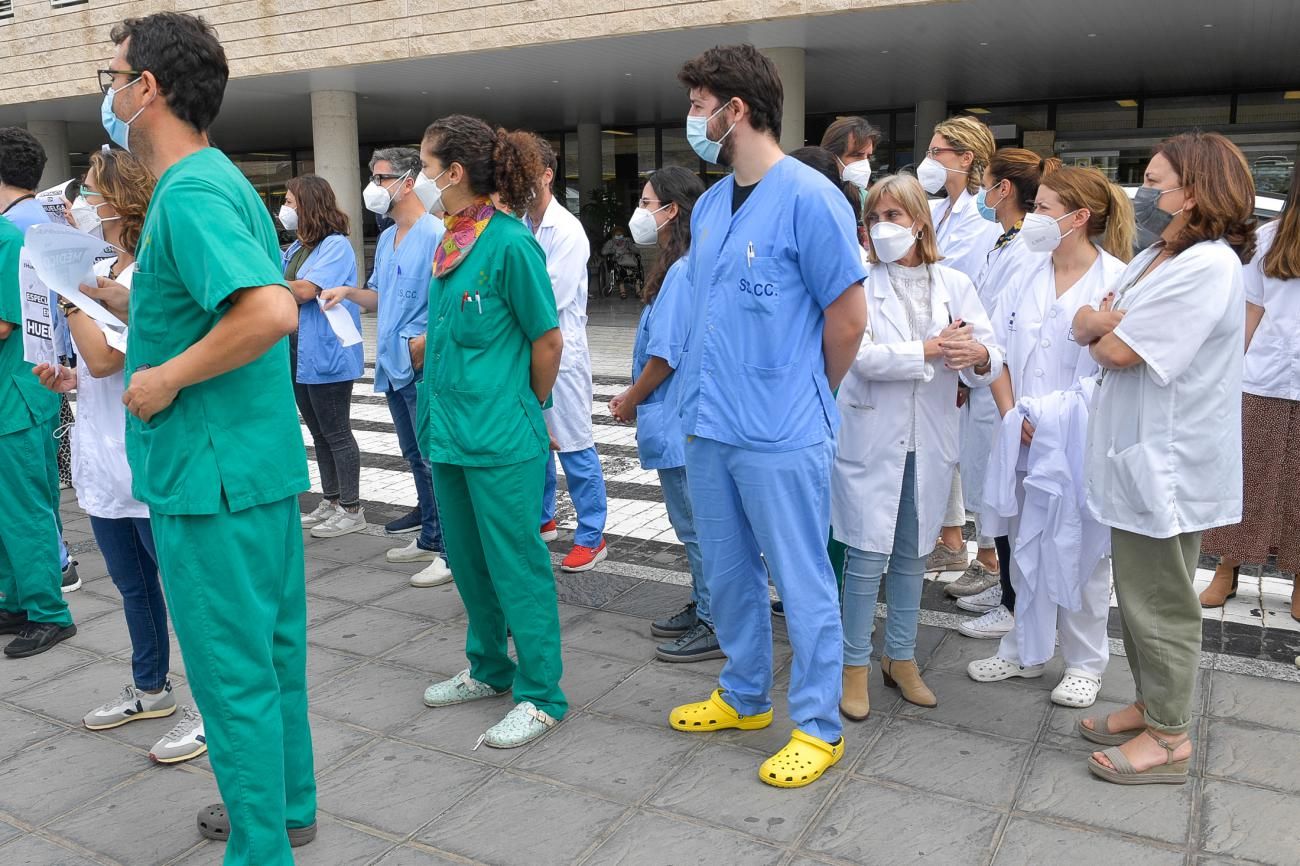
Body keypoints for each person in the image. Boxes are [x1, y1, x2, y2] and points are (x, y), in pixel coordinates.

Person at [102, 13, 316, 860]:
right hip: (250, 466)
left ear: (147, 88)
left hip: (207, 475)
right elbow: (226, 299)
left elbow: (267, 310)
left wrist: (159, 377)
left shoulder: (186, 192)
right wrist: (134, 307)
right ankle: (287, 807)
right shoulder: (219, 179)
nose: (110, 91)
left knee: (232, 677)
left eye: (115, 75)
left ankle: (259, 844)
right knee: (271, 657)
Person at [665, 45, 867, 790]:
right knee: (728, 571)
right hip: (712, 423)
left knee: (802, 576)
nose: (693, 118)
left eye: (699, 103)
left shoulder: (811, 198)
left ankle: (818, 725)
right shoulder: (715, 205)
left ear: (735, 110)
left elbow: (848, 318)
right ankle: (745, 694)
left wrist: (808, 393)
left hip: (781, 428)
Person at [1074, 131, 1254, 784]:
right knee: (1140, 590)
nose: (1146, 193)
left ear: (1196, 190)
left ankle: (1171, 738)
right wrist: (1100, 327)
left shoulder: (1208, 266)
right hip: (1137, 452)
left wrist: (1102, 328)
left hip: (1167, 461)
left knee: (1160, 600)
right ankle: (1154, 704)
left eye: (1157, 181)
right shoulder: (1156, 255)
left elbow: (1117, 347)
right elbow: (1087, 323)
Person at [34, 148, 207, 761]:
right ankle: (151, 687)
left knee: (187, 592)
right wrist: (71, 381)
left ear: (115, 198)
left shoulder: (147, 273)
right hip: (103, 458)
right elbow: (99, 370)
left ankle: (210, 708)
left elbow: (112, 355)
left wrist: (70, 298)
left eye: (86, 192)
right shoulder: (105, 267)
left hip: (148, 458)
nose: (77, 204)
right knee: (134, 587)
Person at [412, 115, 568, 749]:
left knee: (516, 565)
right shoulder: (450, 241)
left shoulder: (509, 243)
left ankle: (541, 693)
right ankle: (489, 667)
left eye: (423, 166)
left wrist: (522, 406)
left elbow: (548, 339)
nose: (415, 178)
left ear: (453, 172)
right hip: (449, 433)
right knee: (469, 562)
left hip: (501, 437)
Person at [966, 166, 1134, 710]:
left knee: (1083, 551)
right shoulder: (1025, 270)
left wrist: (1056, 422)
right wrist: (1014, 415)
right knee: (1023, 544)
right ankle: (1025, 649)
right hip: (1021, 433)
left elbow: (1112, 370)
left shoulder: (1117, 278)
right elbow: (996, 351)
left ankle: (1085, 662)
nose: (1034, 217)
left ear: (1079, 217)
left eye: (1043, 208)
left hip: (1081, 438)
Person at [834, 174, 1001, 719]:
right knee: (864, 557)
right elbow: (863, 357)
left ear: (920, 222)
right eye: (875, 217)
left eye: (894, 216)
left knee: (912, 556)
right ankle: (853, 664)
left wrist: (974, 355)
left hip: (929, 441)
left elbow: (990, 355)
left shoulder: (953, 281)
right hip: (871, 434)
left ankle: (900, 658)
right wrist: (930, 348)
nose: (883, 227)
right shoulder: (856, 279)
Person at [320, 147, 451, 586]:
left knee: (435, 459)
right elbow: (380, 296)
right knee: (415, 457)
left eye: (381, 179)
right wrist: (348, 292)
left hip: (420, 364)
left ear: (408, 181)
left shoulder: (436, 234)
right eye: (373, 178)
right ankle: (431, 537)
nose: (373, 188)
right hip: (394, 365)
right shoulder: (391, 236)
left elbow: (448, 303)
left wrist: (423, 344)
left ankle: (451, 552)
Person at [608, 166, 715, 662]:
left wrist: (631, 397)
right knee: (695, 525)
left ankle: (716, 621)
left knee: (697, 527)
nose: (641, 213)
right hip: (680, 418)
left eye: (648, 203)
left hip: (679, 419)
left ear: (673, 210)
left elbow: (665, 355)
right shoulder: (682, 264)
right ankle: (706, 604)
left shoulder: (681, 270)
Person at [954, 148, 1057, 642]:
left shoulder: (1026, 249)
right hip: (986, 381)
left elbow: (1006, 326)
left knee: (1010, 502)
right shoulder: (1005, 241)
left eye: (987, 183)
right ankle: (1007, 590)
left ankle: (1016, 602)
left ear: (1005, 190)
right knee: (995, 497)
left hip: (1005, 391)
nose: (982, 194)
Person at [1200, 170, 1300, 622]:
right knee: (1249, 477)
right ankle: (1228, 564)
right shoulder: (1269, 239)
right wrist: (1225, 379)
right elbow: (1250, 311)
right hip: (1264, 378)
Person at [914, 117, 1003, 588]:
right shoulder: (938, 211)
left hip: (969, 352)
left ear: (966, 159)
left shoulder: (981, 220)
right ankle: (952, 542)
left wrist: (967, 368)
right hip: (942, 354)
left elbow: (975, 291)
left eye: (937, 152)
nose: (929, 161)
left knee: (980, 457)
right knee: (950, 453)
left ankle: (988, 558)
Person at [0, 126, 80, 594]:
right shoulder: (46, 217)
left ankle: (52, 575)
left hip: (25, 373)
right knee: (41, 484)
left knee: (27, 494)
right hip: (51, 364)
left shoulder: (13, 229)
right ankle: (53, 564)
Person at [525, 139, 609, 573]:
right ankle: (543, 519)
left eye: (525, 172)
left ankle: (593, 535)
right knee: (536, 442)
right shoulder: (521, 224)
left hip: (562, 351)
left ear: (546, 175)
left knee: (575, 445)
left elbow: (544, 297)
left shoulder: (568, 230)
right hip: (528, 348)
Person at [279, 175, 365, 539]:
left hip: (327, 352)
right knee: (318, 433)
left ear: (309, 205)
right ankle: (331, 500)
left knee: (337, 432)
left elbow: (302, 291)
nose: (284, 210)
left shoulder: (334, 246)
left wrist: (262, 284)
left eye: (290, 202)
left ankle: (352, 508)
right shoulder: (297, 248)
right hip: (299, 354)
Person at [819, 116, 880, 246]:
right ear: (831, 155)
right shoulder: (815, 196)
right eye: (857, 155)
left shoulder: (866, 197)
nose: (864, 163)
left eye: (868, 157)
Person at [601, 226, 640, 299]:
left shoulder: (627, 241)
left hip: (629, 260)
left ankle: (638, 291)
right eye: (617, 235)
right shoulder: (611, 242)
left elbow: (637, 251)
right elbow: (603, 252)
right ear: (613, 235)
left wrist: (630, 248)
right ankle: (622, 291)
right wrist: (613, 251)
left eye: (620, 234)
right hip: (617, 260)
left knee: (636, 271)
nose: (619, 236)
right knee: (618, 270)